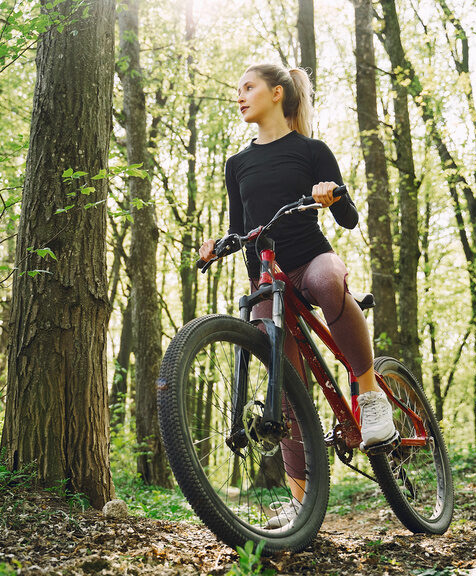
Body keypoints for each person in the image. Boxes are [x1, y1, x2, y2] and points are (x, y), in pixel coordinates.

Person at [198, 63, 398, 528]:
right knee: (285, 390)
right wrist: (218, 243)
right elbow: (238, 226)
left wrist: (332, 196)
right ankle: (301, 503)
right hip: (266, 278)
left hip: (310, 258)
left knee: (330, 282)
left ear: (277, 93)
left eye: (248, 87)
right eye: (239, 89)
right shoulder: (237, 164)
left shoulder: (312, 151)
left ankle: (369, 396)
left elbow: (347, 219)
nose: (241, 96)